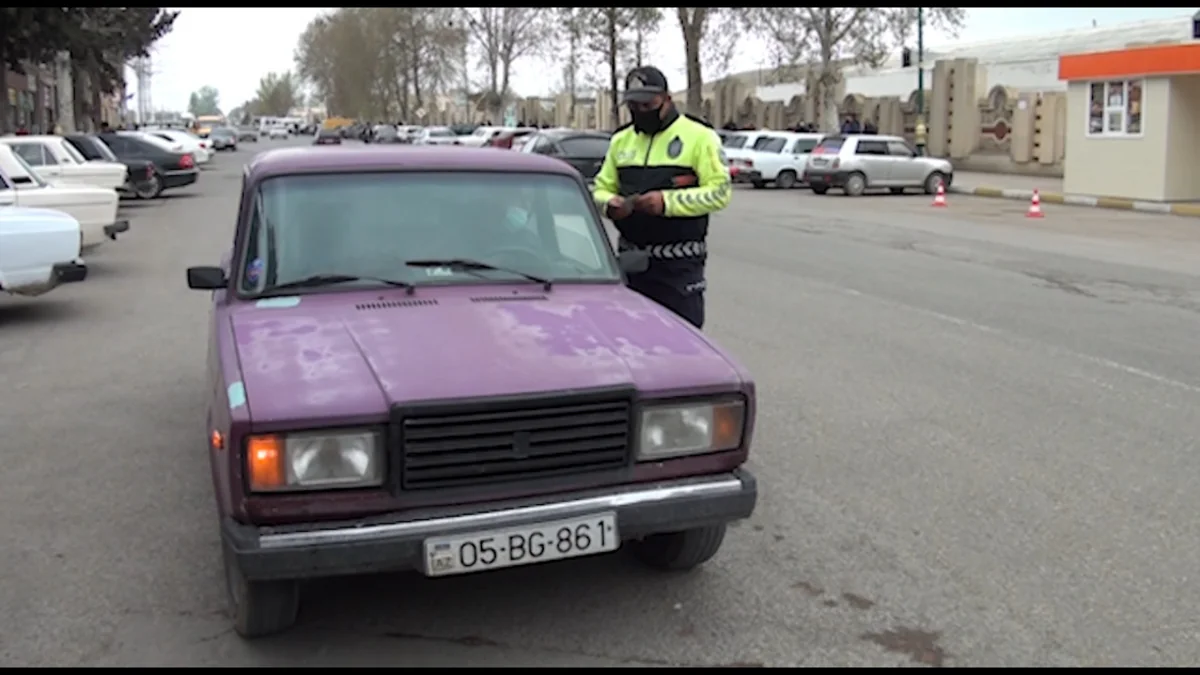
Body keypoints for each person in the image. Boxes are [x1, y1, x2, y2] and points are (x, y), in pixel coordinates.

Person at [592, 66, 732, 330]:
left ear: (667, 100)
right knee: (630, 343)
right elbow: (600, 188)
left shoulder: (699, 137)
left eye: (648, 104)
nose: (640, 111)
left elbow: (720, 192)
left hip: (679, 267)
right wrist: (609, 205)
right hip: (630, 263)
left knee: (682, 346)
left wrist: (667, 204)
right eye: (633, 105)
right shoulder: (621, 141)